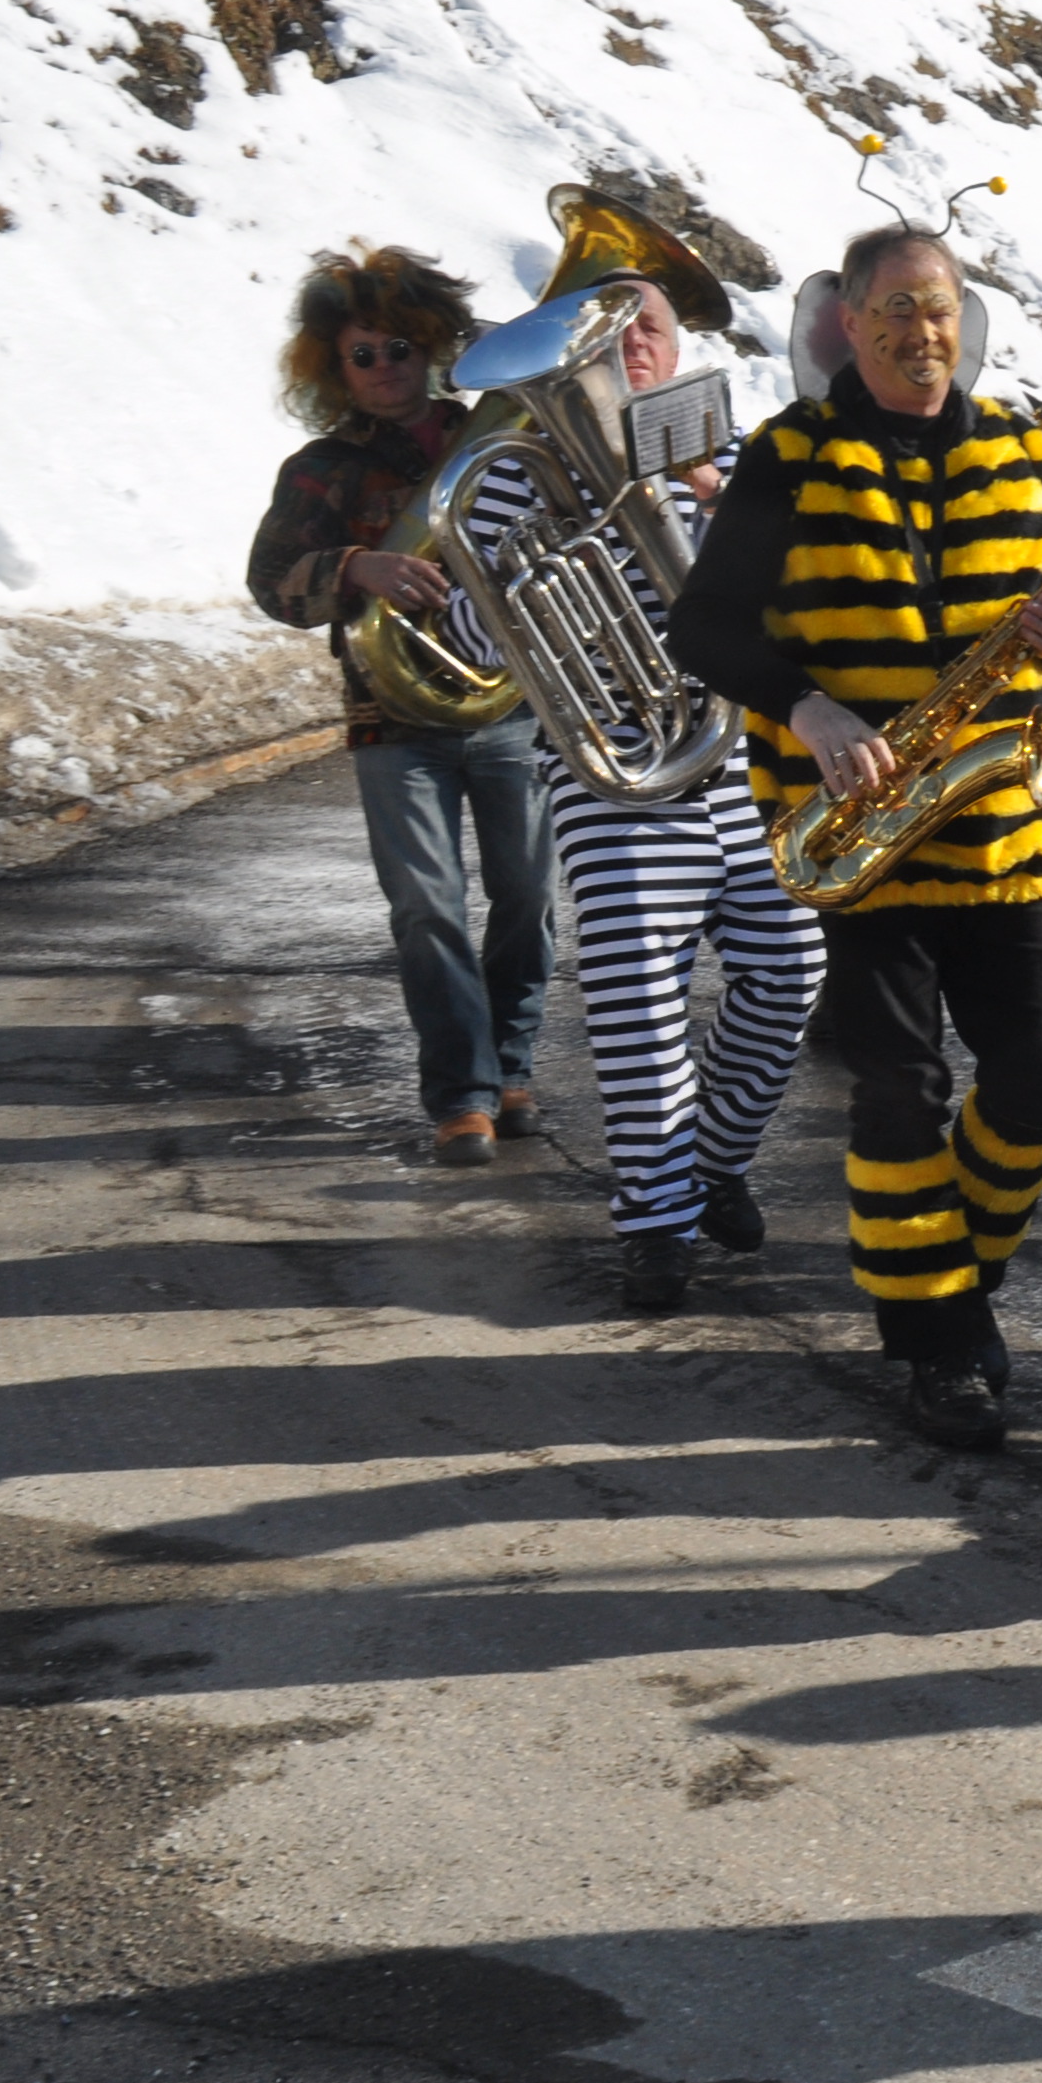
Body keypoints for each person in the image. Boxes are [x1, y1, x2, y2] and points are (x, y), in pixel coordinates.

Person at [666, 222, 1042, 1452]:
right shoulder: (790, 454)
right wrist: (805, 707)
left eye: (942, 307)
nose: (925, 330)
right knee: (901, 1091)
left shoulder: (1017, 443)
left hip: (1003, 827)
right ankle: (940, 1342)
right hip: (859, 833)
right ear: (849, 323)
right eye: (899, 308)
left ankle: (948, 1280)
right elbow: (702, 628)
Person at [450, 262, 818, 1312]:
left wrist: (709, 496)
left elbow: (802, 588)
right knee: (636, 1009)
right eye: (607, 331)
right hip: (613, 764)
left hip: (744, 756)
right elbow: (474, 634)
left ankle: (713, 1160)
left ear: (678, 344)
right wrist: (533, 563)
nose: (632, 345)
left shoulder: (738, 453)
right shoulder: (513, 476)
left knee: (794, 971)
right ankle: (656, 1225)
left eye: (648, 325)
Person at [247, 245, 555, 1170]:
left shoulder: (494, 435)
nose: (384, 367)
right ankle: (462, 1094)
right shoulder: (321, 468)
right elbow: (270, 580)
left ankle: (511, 1067)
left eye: (399, 347)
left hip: (510, 706)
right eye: (361, 355)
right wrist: (355, 566)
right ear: (334, 369)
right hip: (393, 719)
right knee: (427, 906)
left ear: (430, 347)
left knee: (529, 898)